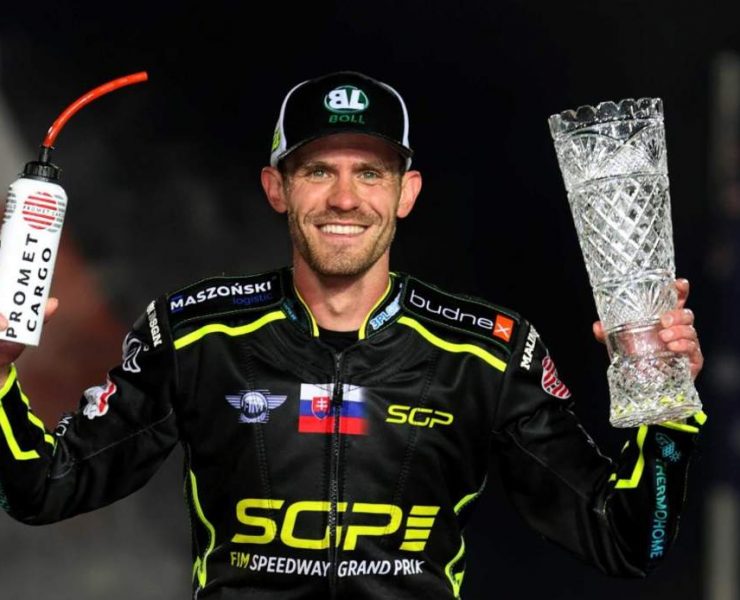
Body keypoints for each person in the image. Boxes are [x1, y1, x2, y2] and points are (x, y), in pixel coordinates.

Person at [0, 71, 705, 599]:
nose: (344, 197)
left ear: (407, 192)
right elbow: (40, 489)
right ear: (276, 188)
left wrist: (666, 401)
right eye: (318, 171)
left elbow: (628, 539)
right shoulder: (194, 335)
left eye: (370, 172)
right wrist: (0, 367)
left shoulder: (487, 352)